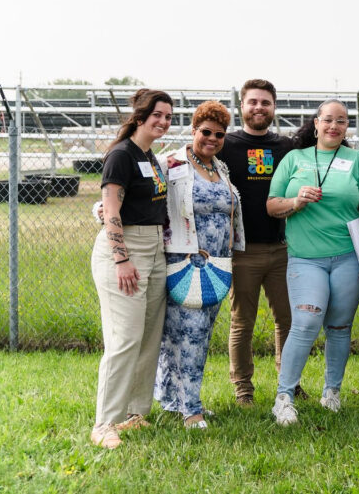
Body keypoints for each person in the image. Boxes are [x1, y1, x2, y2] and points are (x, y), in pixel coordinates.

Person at [266, 99, 359, 426]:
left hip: (348, 257)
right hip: (305, 258)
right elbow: (272, 206)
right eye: (328, 120)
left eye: (341, 121)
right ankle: (284, 396)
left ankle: (332, 391)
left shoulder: (358, 161)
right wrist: (296, 201)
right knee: (306, 320)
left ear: (346, 127)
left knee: (340, 326)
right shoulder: (294, 159)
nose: (334, 126)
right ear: (315, 123)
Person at [89, 89, 173, 449]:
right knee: (124, 340)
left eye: (169, 116)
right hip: (125, 252)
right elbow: (110, 209)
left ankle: (135, 414)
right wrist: (121, 258)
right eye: (157, 115)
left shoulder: (150, 156)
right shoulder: (121, 155)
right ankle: (104, 423)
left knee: (148, 336)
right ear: (140, 116)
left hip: (155, 251)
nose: (164, 121)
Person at [154, 101, 245, 428]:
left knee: (199, 336)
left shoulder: (219, 168)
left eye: (219, 135)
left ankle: (172, 400)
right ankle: (190, 409)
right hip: (183, 266)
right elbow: (140, 195)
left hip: (215, 267)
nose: (212, 139)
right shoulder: (171, 163)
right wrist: (106, 212)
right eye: (206, 132)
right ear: (193, 130)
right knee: (186, 336)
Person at [216, 79, 301, 406]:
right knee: (242, 322)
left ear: (273, 107)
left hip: (282, 248)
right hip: (242, 251)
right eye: (253, 102)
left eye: (265, 102)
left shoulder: (286, 148)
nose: (259, 108)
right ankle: (243, 390)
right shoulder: (226, 144)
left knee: (288, 320)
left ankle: (287, 384)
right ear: (242, 107)